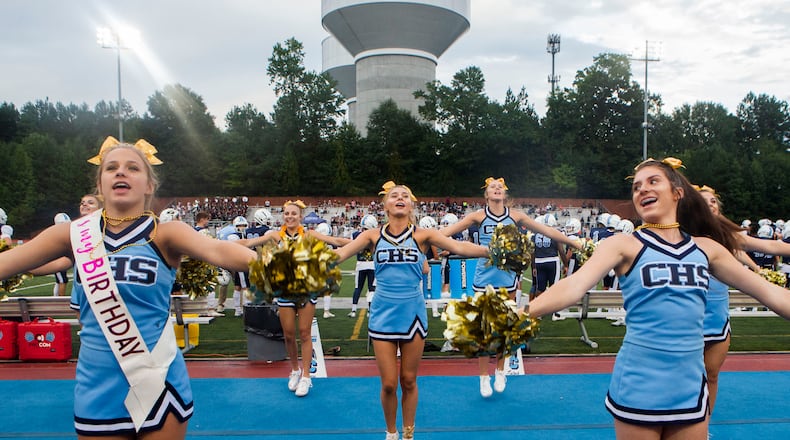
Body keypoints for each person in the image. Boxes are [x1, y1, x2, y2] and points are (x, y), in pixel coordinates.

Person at [0, 138, 259, 439]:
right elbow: (10, 262)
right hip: (97, 384)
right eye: (112, 168)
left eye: (132, 168)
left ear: (149, 185)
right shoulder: (72, 235)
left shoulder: (165, 233)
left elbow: (219, 251)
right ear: (101, 184)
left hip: (158, 378)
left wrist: (266, 264)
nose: (121, 173)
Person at [527, 158, 790, 439]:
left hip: (689, 388)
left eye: (653, 182)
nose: (642, 190)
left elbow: (768, 292)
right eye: (637, 186)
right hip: (639, 385)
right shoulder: (624, 244)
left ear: (677, 192)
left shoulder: (706, 248)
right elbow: (574, 285)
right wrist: (522, 312)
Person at [333, 181, 489, 440]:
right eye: (394, 195)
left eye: (405, 195)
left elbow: (459, 247)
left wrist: (491, 251)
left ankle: (408, 433)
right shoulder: (372, 236)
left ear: (412, 205)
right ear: (385, 204)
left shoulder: (422, 236)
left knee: (408, 380)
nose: (400, 198)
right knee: (388, 384)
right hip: (383, 313)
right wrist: (305, 258)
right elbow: (340, 254)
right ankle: (390, 432)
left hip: (413, 314)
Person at [439, 177, 581, 398]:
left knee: (505, 329)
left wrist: (575, 243)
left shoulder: (516, 216)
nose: (496, 189)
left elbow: (547, 231)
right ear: (486, 195)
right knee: (484, 331)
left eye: (500, 187)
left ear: (504, 194)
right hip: (483, 279)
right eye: (492, 187)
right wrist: (425, 242)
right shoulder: (478, 216)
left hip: (508, 281)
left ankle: (500, 371)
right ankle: (483, 377)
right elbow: (446, 233)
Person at [251, 200, 349, 397]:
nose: (290, 217)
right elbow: (248, 243)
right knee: (288, 335)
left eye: (293, 214)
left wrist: (370, 242)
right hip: (284, 292)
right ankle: (294, 370)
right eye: (287, 214)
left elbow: (336, 242)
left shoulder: (310, 235)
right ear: (283, 216)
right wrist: (216, 245)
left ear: (300, 217)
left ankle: (306, 377)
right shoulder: (275, 236)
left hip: (306, 291)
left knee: (304, 333)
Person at [349, 214, 378, 318]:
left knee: (358, 288)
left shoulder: (356, 234)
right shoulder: (375, 235)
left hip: (360, 264)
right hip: (372, 265)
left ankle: (353, 310)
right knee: (371, 289)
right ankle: (370, 311)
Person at [52, 213, 72, 296]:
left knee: (60, 280)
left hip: (63, 259)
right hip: (58, 259)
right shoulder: (55, 234)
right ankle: (60, 300)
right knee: (62, 280)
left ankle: (56, 298)